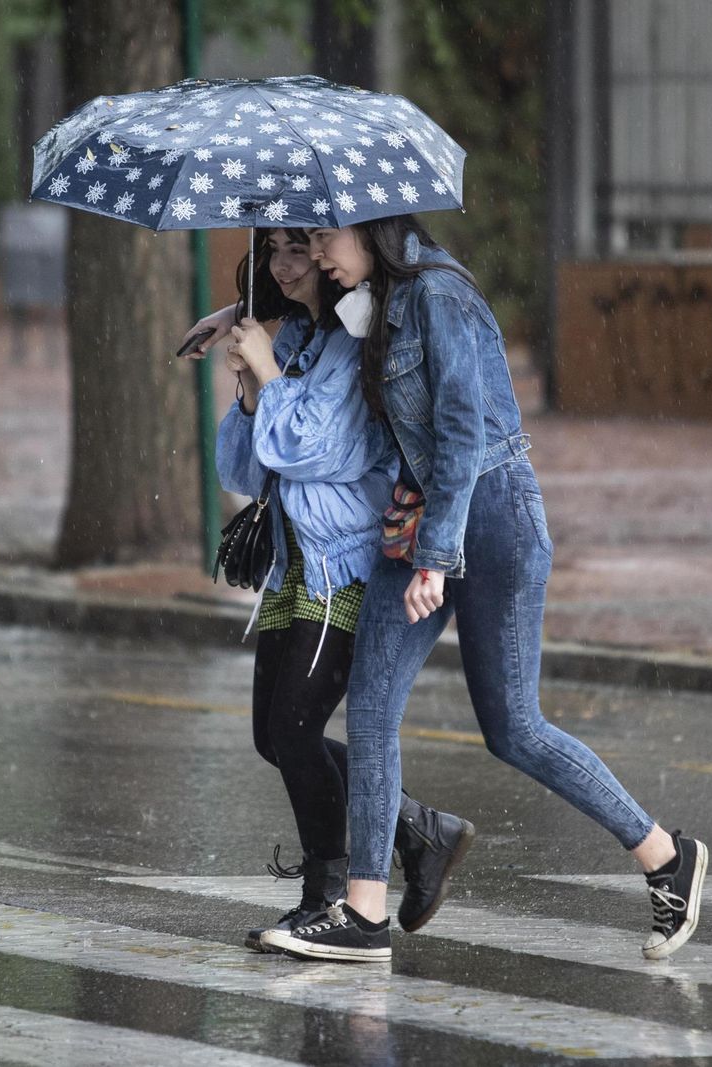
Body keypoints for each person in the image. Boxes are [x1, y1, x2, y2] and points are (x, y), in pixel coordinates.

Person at [265, 216, 707, 964]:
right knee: (371, 706)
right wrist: (242, 313)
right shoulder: (371, 298)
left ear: (368, 228)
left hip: (493, 515)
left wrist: (437, 558)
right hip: (419, 510)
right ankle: (365, 913)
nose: (314, 256)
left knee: (513, 729)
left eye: (322, 239)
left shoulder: (439, 296)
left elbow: (464, 431)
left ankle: (666, 856)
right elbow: (321, 336)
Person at [188, 228, 474, 956]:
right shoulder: (297, 340)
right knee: (272, 736)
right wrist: (250, 390)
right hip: (295, 560)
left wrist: (268, 375)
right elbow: (243, 472)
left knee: (295, 727)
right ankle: (417, 828)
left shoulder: (353, 344)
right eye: (274, 252)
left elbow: (319, 449)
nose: (287, 265)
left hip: (346, 560)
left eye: (299, 248)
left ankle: (326, 894)